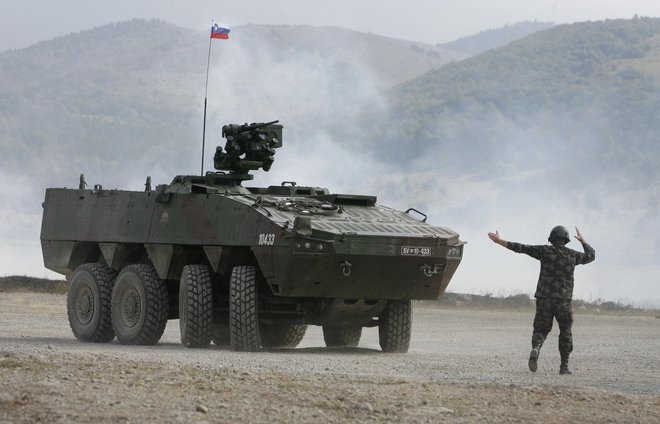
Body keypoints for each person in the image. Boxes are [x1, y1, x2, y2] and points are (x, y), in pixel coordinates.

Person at [487, 226, 595, 374]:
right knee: (565, 332)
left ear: (551, 238)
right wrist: (583, 241)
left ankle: (536, 348)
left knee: (541, 329)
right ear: (566, 240)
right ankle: (564, 367)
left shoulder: (544, 251)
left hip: (544, 299)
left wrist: (499, 241)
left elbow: (521, 248)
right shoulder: (573, 255)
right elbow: (591, 255)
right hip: (563, 301)